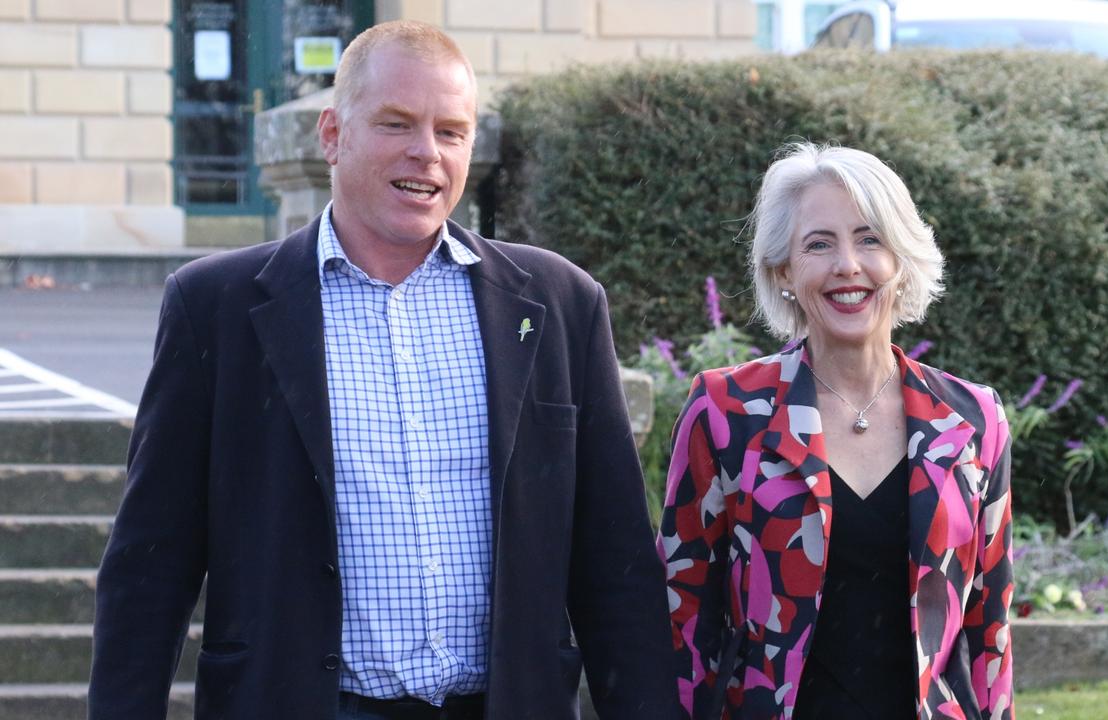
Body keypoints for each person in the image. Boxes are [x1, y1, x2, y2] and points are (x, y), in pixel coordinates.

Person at [89, 20, 677, 720]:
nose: (426, 153)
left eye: (451, 132)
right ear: (333, 135)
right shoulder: (213, 308)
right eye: (397, 124)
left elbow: (616, 565)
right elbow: (149, 566)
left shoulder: (558, 304)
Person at [658, 143, 1014, 720]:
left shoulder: (973, 419)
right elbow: (681, 619)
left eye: (870, 238)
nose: (847, 264)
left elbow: (990, 632)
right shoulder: (726, 411)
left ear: (900, 261)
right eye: (818, 244)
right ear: (784, 273)